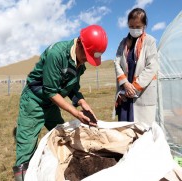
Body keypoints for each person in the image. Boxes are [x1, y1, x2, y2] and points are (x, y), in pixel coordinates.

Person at [13, 24, 108, 181]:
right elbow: (50, 91)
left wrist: (83, 103)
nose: (86, 60)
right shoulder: (56, 54)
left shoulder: (80, 62)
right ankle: (23, 176)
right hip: (34, 101)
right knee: (26, 148)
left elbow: (72, 87)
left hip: (51, 104)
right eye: (86, 55)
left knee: (62, 136)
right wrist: (76, 113)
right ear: (79, 43)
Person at [114, 8, 158, 128]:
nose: (134, 29)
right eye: (131, 26)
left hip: (140, 93)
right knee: (124, 129)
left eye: (137, 26)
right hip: (124, 93)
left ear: (144, 25)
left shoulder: (150, 42)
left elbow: (151, 67)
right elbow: (117, 62)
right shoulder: (123, 43)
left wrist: (133, 88)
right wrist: (125, 85)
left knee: (141, 130)